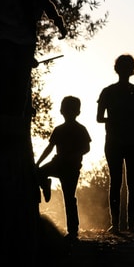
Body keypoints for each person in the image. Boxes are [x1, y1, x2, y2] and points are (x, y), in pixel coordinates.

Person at [0, 0, 67, 117]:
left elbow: (48, 7)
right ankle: (0, 112)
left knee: (21, 82)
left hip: (26, 43)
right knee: (5, 76)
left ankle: (17, 115)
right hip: (6, 38)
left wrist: (59, 23)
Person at [97, 54, 134, 234]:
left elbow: (99, 118)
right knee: (132, 183)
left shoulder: (108, 91)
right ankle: (130, 224)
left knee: (116, 182)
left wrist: (113, 120)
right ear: (132, 70)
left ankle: (116, 224)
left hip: (115, 140)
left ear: (117, 69)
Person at [35, 96, 92, 240]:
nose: (68, 112)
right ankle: (46, 185)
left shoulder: (81, 129)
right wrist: (38, 163)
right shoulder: (59, 129)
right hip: (58, 162)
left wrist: (74, 155)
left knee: (69, 197)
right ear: (62, 111)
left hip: (71, 167)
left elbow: (87, 148)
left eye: (70, 110)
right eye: (66, 110)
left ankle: (73, 230)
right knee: (40, 173)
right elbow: (49, 148)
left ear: (77, 112)